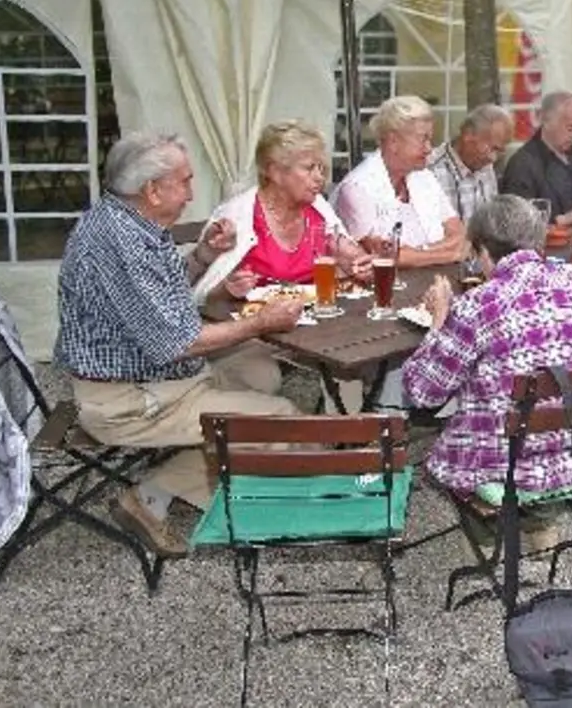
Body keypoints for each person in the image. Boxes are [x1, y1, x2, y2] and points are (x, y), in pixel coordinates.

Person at [54, 132, 302, 557]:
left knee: (261, 371)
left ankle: (207, 463)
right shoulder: (122, 242)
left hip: (155, 377)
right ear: (152, 190)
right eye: (185, 181)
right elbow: (177, 342)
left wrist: (202, 256)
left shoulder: (126, 220)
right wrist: (260, 321)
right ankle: (150, 495)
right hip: (127, 400)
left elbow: (155, 300)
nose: (191, 194)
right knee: (285, 423)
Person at [401, 195, 572, 548]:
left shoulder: (479, 304)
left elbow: (420, 392)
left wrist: (439, 321)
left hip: (512, 469)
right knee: (540, 415)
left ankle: (489, 537)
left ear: (482, 251)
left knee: (493, 427)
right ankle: (541, 524)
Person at [193, 120, 372, 393]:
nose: (319, 178)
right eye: (309, 168)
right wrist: (229, 288)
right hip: (253, 336)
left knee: (370, 348)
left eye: (321, 168)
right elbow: (204, 301)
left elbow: (346, 249)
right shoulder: (236, 217)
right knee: (286, 380)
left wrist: (358, 261)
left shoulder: (317, 208)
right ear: (275, 171)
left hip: (313, 329)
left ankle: (365, 425)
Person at [332, 96, 468, 266]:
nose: (428, 148)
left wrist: (414, 254)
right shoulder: (357, 188)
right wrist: (448, 254)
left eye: (430, 139)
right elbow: (382, 258)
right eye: (422, 139)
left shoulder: (425, 177)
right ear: (393, 141)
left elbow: (460, 237)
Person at [499, 90, 572, 223]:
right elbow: (516, 223)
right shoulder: (522, 164)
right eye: (571, 128)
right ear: (546, 120)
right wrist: (562, 220)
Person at [426, 102, 513, 223]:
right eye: (492, 148)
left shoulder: (486, 167)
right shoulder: (430, 170)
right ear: (468, 135)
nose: (493, 158)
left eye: (500, 151)